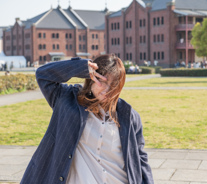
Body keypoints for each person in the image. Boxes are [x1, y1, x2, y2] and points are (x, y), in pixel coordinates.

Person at [20, 54, 154, 184]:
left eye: (113, 85)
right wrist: (80, 67)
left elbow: (140, 159)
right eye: (102, 81)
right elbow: (43, 75)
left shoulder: (129, 116)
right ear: (91, 78)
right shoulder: (67, 100)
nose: (107, 89)